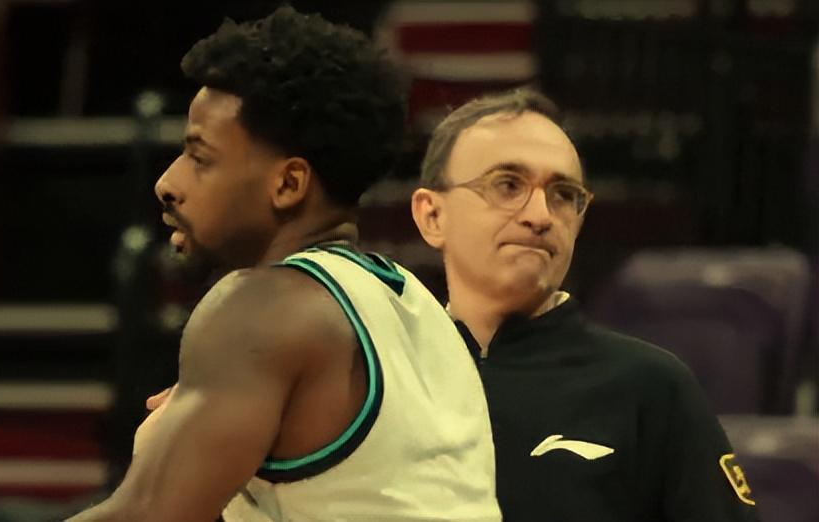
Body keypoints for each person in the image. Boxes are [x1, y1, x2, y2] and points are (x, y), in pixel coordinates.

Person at [68, 7, 500, 522]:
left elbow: (146, 516)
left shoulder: (264, 308)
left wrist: (159, 458)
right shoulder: (410, 300)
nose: (168, 182)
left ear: (289, 184)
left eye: (200, 158)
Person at [411, 88, 761, 521]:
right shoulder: (381, 378)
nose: (540, 215)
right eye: (507, 185)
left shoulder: (649, 388)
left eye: (562, 194)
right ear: (432, 215)